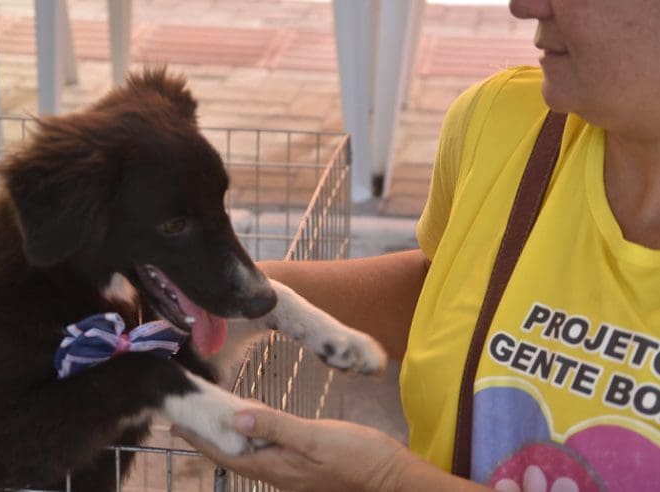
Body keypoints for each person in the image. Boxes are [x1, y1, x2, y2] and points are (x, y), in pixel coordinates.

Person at [175, 0, 660, 490]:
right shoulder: (504, 121)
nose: (523, 6)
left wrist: (390, 480)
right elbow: (450, 295)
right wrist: (233, 293)